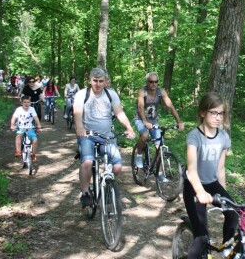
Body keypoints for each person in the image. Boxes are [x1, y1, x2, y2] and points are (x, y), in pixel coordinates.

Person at [183, 92, 237, 258]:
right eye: (213, 112)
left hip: (212, 183)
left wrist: (223, 194)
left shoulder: (223, 137)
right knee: (202, 238)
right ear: (202, 113)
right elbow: (191, 170)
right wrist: (200, 192)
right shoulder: (194, 136)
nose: (218, 117)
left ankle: (226, 247)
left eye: (221, 113)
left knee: (233, 213)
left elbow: (220, 168)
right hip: (194, 186)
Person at [73, 67, 136, 207]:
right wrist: (80, 128)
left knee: (118, 166)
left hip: (107, 137)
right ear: (90, 80)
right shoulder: (82, 94)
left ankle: (105, 184)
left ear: (105, 81)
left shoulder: (111, 94)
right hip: (87, 136)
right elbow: (77, 113)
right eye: (95, 81)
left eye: (101, 81)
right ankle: (85, 193)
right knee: (87, 162)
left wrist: (129, 128)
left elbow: (119, 112)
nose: (98, 84)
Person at [133, 72, 184, 167]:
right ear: (147, 82)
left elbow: (171, 106)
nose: (154, 84)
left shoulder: (161, 91)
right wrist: (145, 121)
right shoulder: (142, 91)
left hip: (153, 120)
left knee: (159, 145)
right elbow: (140, 107)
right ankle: (139, 154)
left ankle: (159, 172)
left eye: (156, 82)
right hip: (140, 118)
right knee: (144, 135)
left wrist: (179, 122)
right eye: (151, 81)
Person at [10, 95, 42, 168]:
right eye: (24, 102)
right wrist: (12, 125)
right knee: (18, 136)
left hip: (30, 128)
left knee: (35, 140)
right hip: (20, 128)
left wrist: (39, 125)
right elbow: (13, 118)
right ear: (21, 103)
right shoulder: (18, 109)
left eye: (28, 102)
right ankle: (18, 151)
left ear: (30, 103)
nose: (26, 104)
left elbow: (36, 118)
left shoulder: (32, 109)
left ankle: (33, 154)